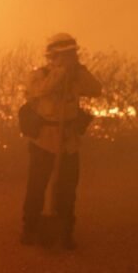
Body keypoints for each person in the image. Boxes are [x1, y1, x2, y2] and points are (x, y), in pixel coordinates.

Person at [20, 32, 102, 249]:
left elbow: (96, 90)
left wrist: (79, 71)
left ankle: (65, 232)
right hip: (44, 141)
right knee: (37, 187)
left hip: (69, 143)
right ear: (52, 57)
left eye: (71, 54)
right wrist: (60, 74)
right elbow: (39, 91)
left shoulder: (77, 76)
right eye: (63, 55)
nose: (68, 59)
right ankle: (30, 229)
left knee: (67, 189)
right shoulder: (38, 76)